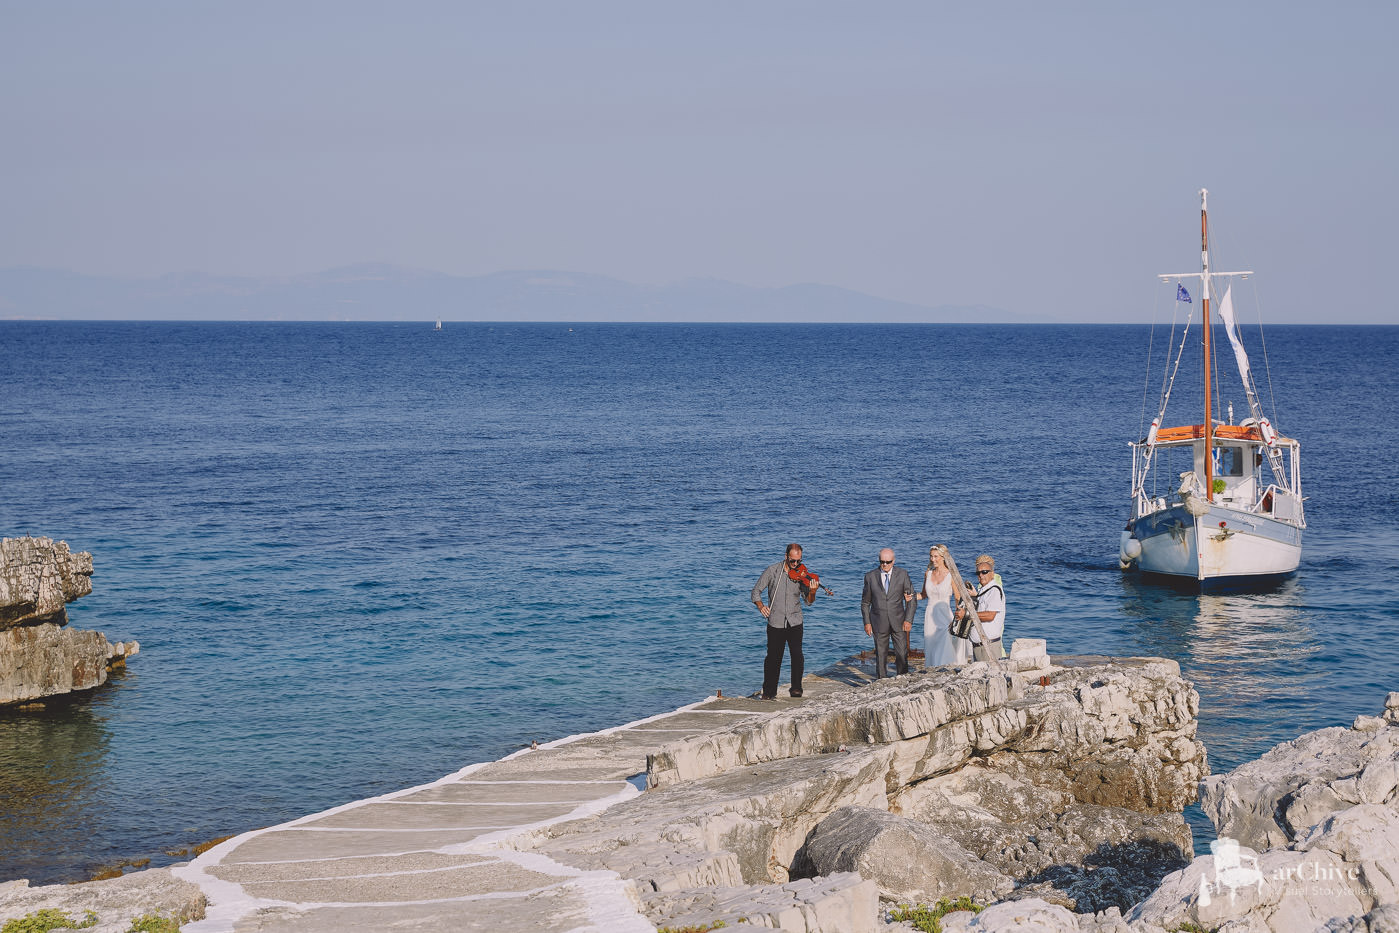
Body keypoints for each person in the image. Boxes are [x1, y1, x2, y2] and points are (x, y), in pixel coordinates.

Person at [750, 543, 810, 699]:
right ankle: (769, 692)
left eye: (799, 561)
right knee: (773, 658)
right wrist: (761, 606)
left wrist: (813, 591)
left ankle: (796, 689)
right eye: (793, 561)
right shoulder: (772, 571)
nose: (796, 565)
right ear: (786, 557)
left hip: (795, 620)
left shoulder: (802, 574)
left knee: (797, 655)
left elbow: (808, 601)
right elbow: (755, 591)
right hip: (776, 621)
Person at [861, 547, 916, 678]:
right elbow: (865, 603)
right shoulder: (870, 577)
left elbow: (911, 599)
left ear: (894, 561)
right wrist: (867, 623)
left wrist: (908, 619)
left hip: (899, 621)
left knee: (902, 654)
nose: (885, 565)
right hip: (878, 622)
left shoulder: (902, 574)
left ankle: (903, 681)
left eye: (888, 562)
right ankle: (881, 683)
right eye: (882, 562)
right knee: (880, 655)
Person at [916, 544, 966, 667]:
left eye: (936, 556)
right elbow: (923, 595)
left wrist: (957, 617)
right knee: (932, 646)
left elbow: (957, 598)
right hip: (930, 617)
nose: (933, 559)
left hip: (945, 616)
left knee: (945, 646)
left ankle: (945, 670)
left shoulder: (951, 575)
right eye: (931, 556)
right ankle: (933, 671)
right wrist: (909, 597)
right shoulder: (928, 573)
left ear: (943, 557)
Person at [965, 553, 1006, 662]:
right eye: (978, 573)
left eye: (984, 572)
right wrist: (975, 596)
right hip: (979, 646)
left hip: (988, 647)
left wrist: (967, 615)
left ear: (992, 573)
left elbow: (990, 615)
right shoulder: (984, 590)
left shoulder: (994, 590)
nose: (981, 575)